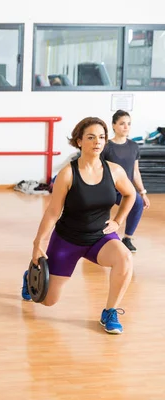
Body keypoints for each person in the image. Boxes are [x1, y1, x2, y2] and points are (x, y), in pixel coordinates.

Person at [21, 117, 136, 334]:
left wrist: (118, 221)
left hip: (100, 238)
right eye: (91, 137)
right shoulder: (67, 174)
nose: (97, 142)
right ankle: (29, 277)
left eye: (101, 137)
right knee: (48, 302)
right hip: (68, 240)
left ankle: (110, 311)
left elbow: (130, 195)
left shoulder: (114, 171)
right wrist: (38, 244)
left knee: (125, 258)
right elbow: (53, 211)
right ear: (79, 141)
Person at [100, 110, 151, 252]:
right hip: (107, 188)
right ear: (114, 126)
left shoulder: (134, 146)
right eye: (122, 123)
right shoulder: (106, 146)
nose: (126, 127)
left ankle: (127, 238)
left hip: (125, 190)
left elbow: (135, 171)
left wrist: (142, 192)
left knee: (138, 203)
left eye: (128, 124)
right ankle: (98, 234)